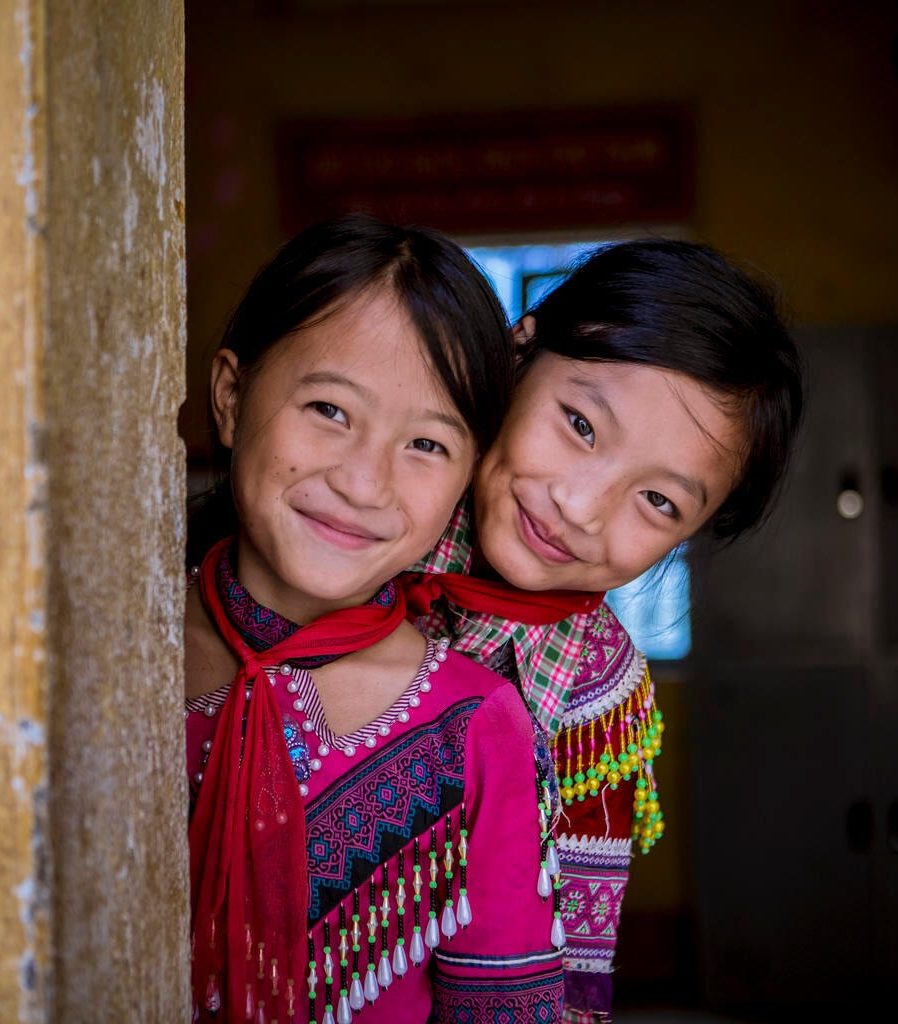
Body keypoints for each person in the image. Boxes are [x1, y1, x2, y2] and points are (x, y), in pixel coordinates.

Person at [184, 213, 571, 1023]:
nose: (365, 482)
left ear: (467, 478)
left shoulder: (476, 728)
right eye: (328, 409)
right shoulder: (108, 656)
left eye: (427, 445)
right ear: (230, 398)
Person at [409, 237, 804, 1023]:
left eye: (659, 502)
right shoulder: (371, 516)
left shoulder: (598, 702)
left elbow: (575, 979)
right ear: (518, 352)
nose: (582, 509)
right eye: (582, 426)